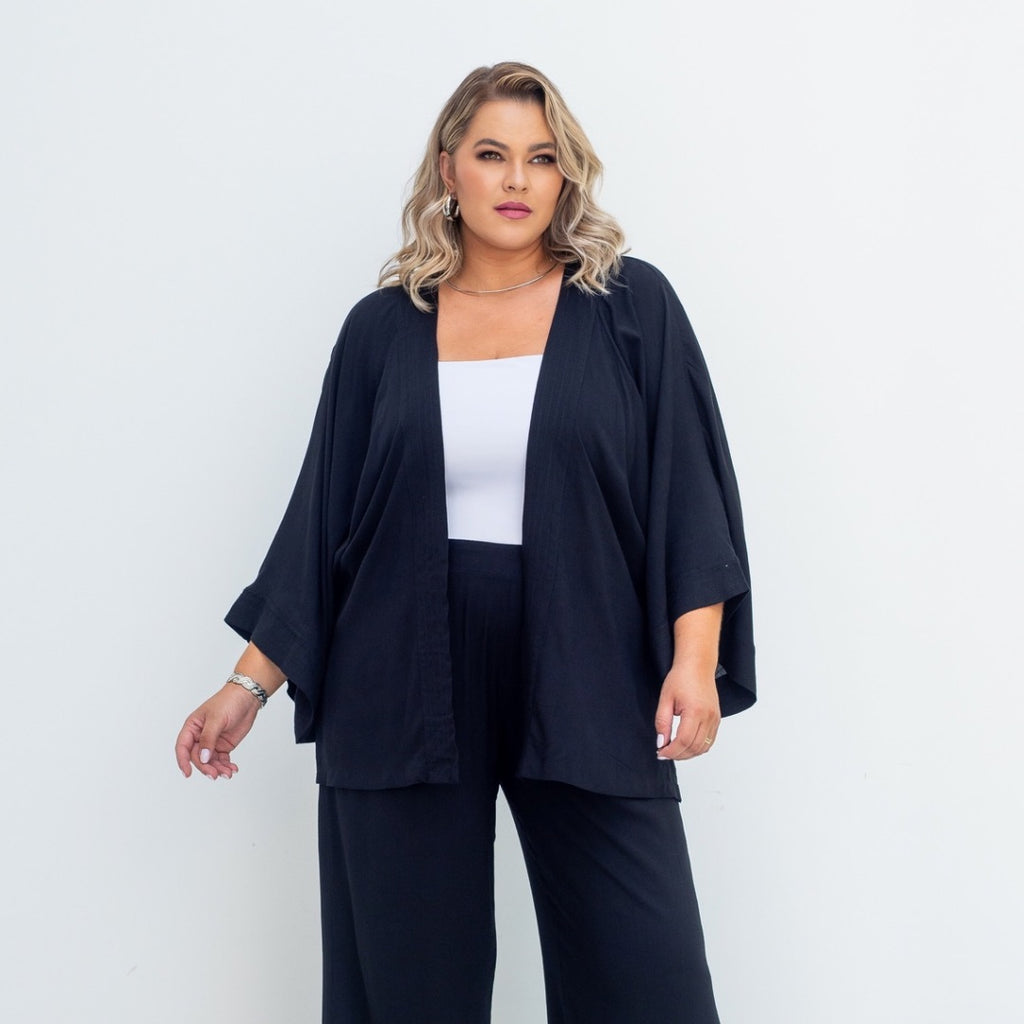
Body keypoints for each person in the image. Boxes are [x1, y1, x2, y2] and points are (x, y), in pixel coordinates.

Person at [175, 61, 755, 1024]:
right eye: (492, 154)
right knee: (410, 987)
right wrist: (248, 685)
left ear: (567, 175)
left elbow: (688, 495)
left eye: (542, 158)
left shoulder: (630, 307)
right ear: (449, 169)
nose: (517, 179)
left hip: (589, 656)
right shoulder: (382, 329)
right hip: (398, 669)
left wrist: (694, 661)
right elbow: (322, 522)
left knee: (646, 976)